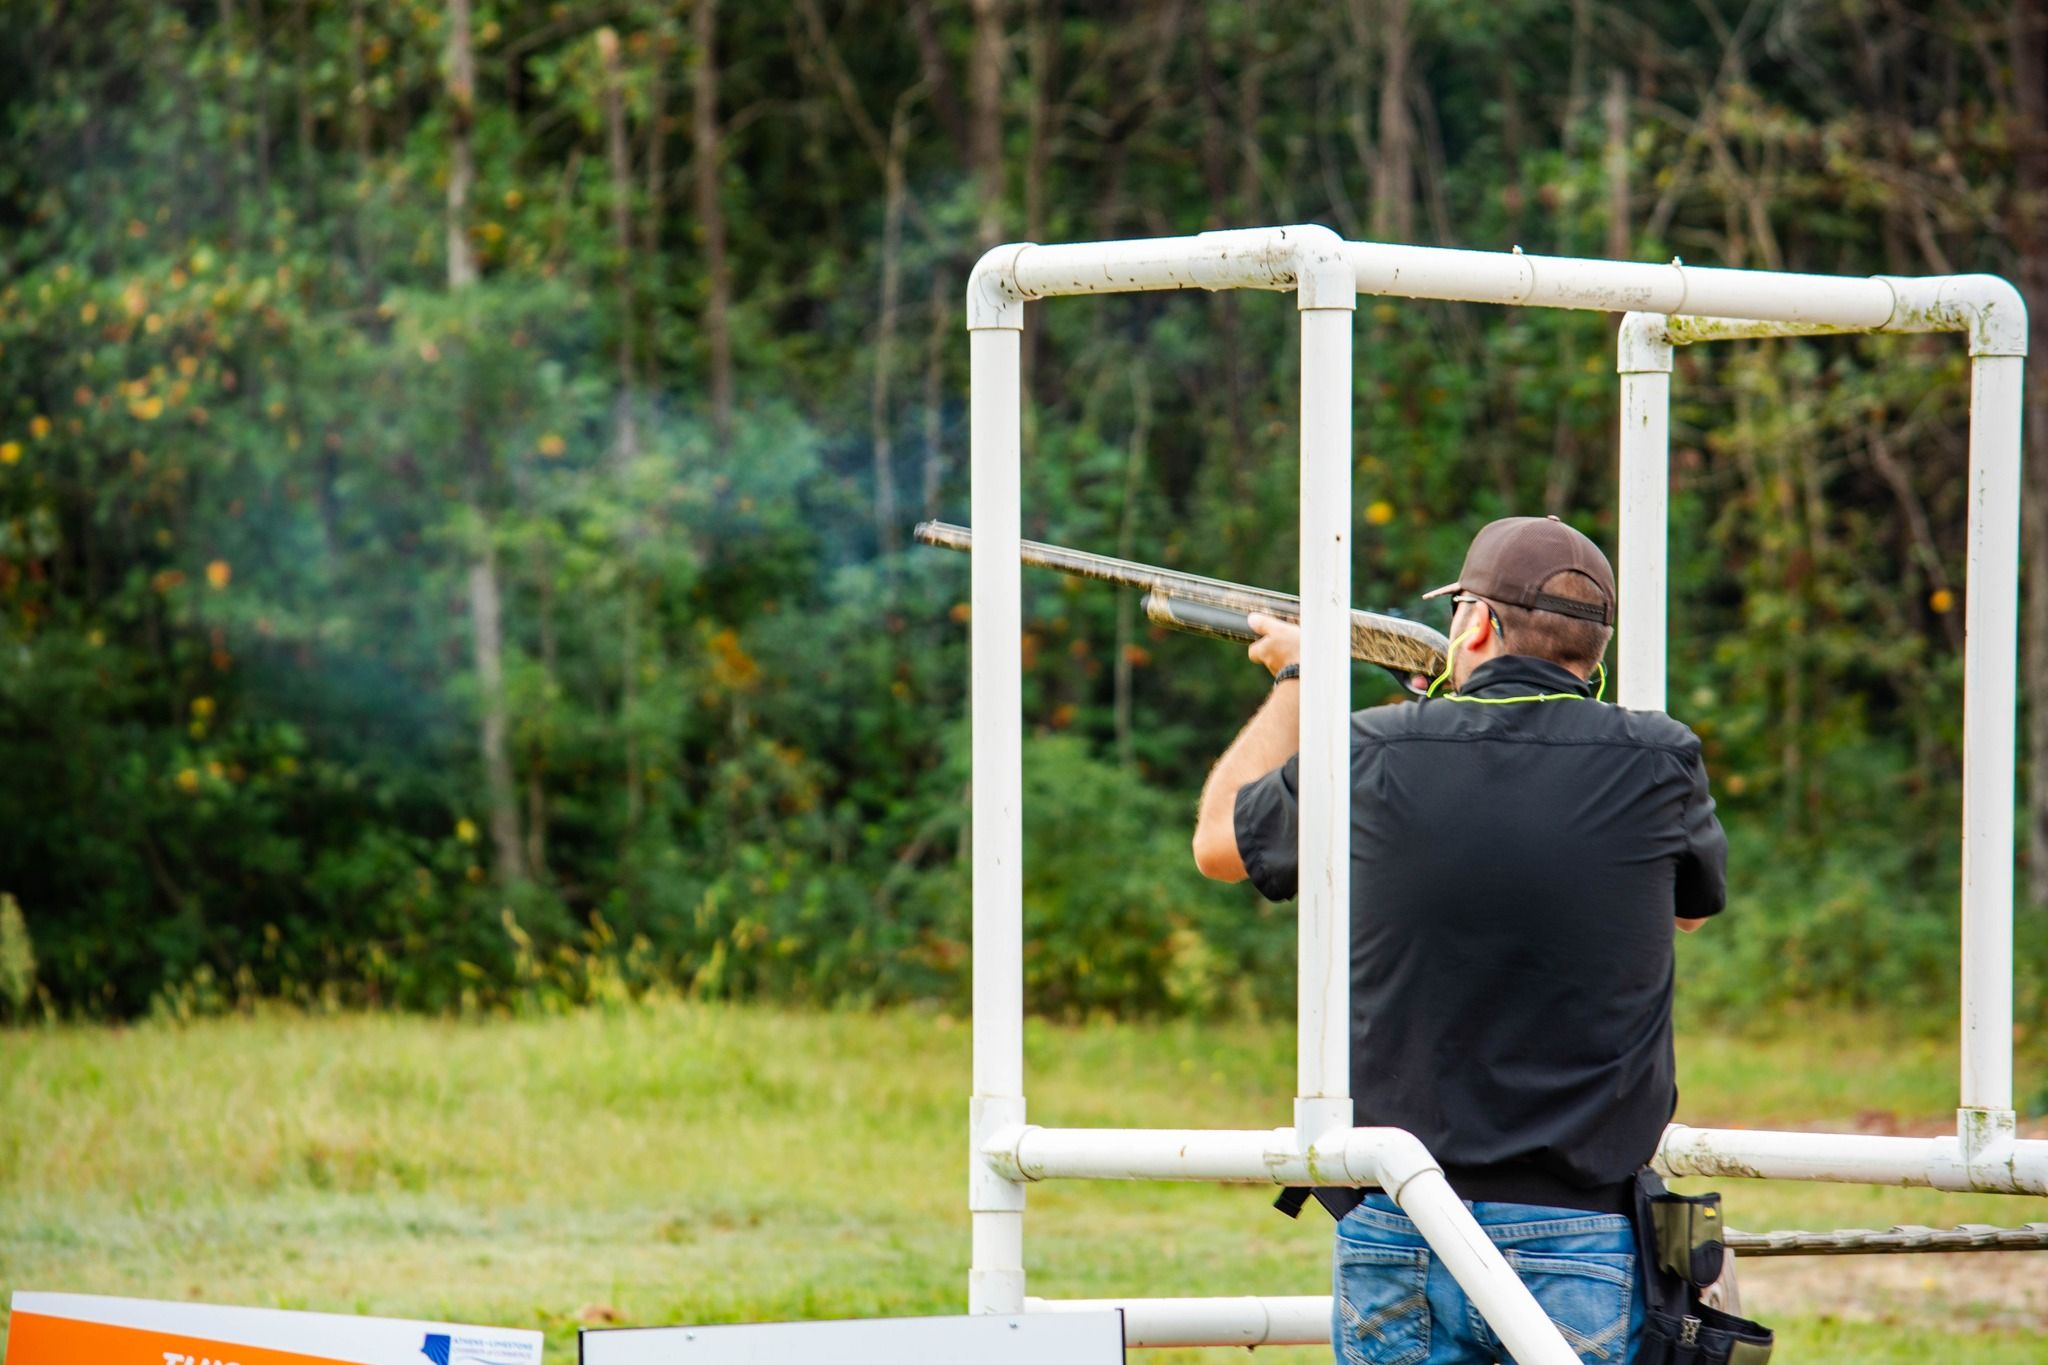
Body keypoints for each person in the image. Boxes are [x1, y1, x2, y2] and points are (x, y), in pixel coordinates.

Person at [1190, 515, 1727, 1365]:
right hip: (1582, 1229)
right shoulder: (1660, 759)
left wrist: (1302, 678)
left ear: (1474, 624)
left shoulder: (1372, 748)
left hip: (1399, 1214)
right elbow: (1687, 906)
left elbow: (1219, 840)